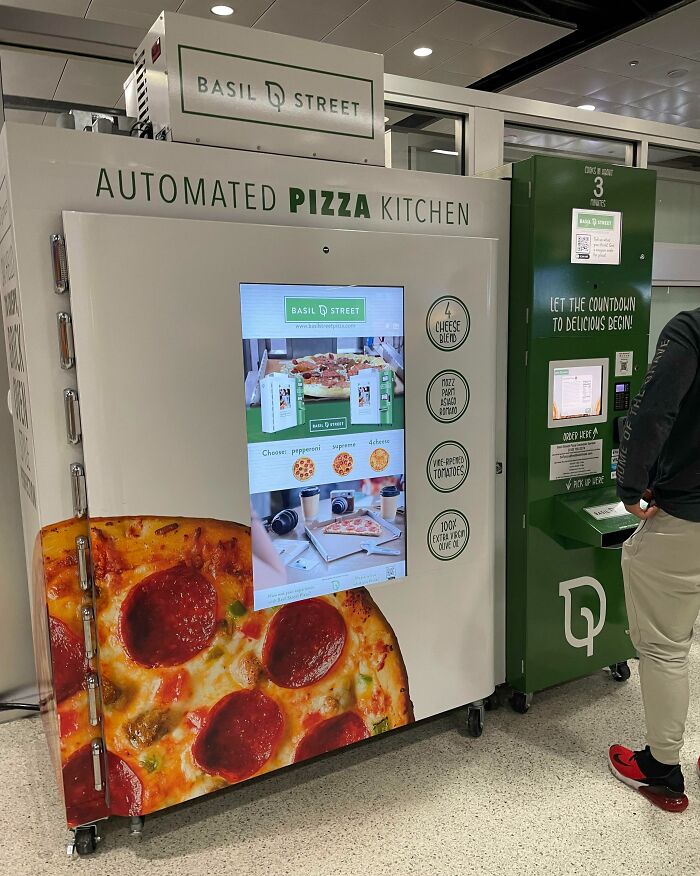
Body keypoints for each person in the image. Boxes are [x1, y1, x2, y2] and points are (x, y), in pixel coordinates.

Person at [609, 307, 700, 812]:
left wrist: (631, 481)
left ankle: (662, 770)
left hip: (686, 515)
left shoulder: (692, 329)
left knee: (665, 646)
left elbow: (653, 409)